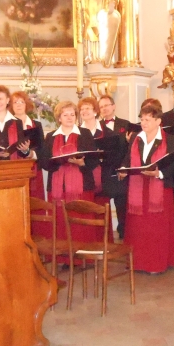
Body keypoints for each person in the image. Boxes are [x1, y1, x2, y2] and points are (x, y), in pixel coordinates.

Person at [118, 104, 174, 273]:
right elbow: (128, 158)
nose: (143, 123)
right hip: (138, 188)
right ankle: (138, 262)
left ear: (158, 121)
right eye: (142, 119)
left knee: (156, 228)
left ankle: (155, 263)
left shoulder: (169, 139)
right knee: (138, 228)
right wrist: (123, 169)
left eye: (148, 120)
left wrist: (159, 173)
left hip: (159, 188)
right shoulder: (136, 137)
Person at [38, 101, 100, 242]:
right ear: (59, 118)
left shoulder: (85, 134)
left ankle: (84, 250)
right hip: (58, 188)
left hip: (82, 187)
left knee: (81, 221)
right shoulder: (51, 136)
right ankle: (63, 251)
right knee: (61, 221)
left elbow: (94, 160)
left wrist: (82, 163)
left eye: (72, 114)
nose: (69, 117)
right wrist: (58, 162)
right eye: (65, 115)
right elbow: (44, 162)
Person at [80, 96, 123, 240]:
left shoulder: (109, 133)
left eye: (87, 108)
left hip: (103, 178)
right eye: (82, 109)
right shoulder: (76, 133)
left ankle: (103, 243)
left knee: (101, 210)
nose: (84, 111)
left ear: (95, 111)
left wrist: (101, 158)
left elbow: (116, 157)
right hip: (83, 177)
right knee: (85, 210)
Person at [99, 94, 131, 238]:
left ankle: (124, 234)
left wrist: (124, 167)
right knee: (101, 205)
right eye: (101, 107)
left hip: (121, 171)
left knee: (122, 206)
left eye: (106, 105)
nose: (104, 109)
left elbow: (130, 150)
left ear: (113, 106)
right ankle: (104, 237)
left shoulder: (126, 124)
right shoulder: (96, 126)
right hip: (103, 171)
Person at [10, 90, 45, 200]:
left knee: (35, 201)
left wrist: (31, 153)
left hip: (33, 168)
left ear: (26, 104)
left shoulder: (36, 124)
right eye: (15, 102)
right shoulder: (8, 124)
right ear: (11, 105)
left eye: (22, 102)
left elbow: (42, 149)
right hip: (13, 169)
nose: (19, 105)